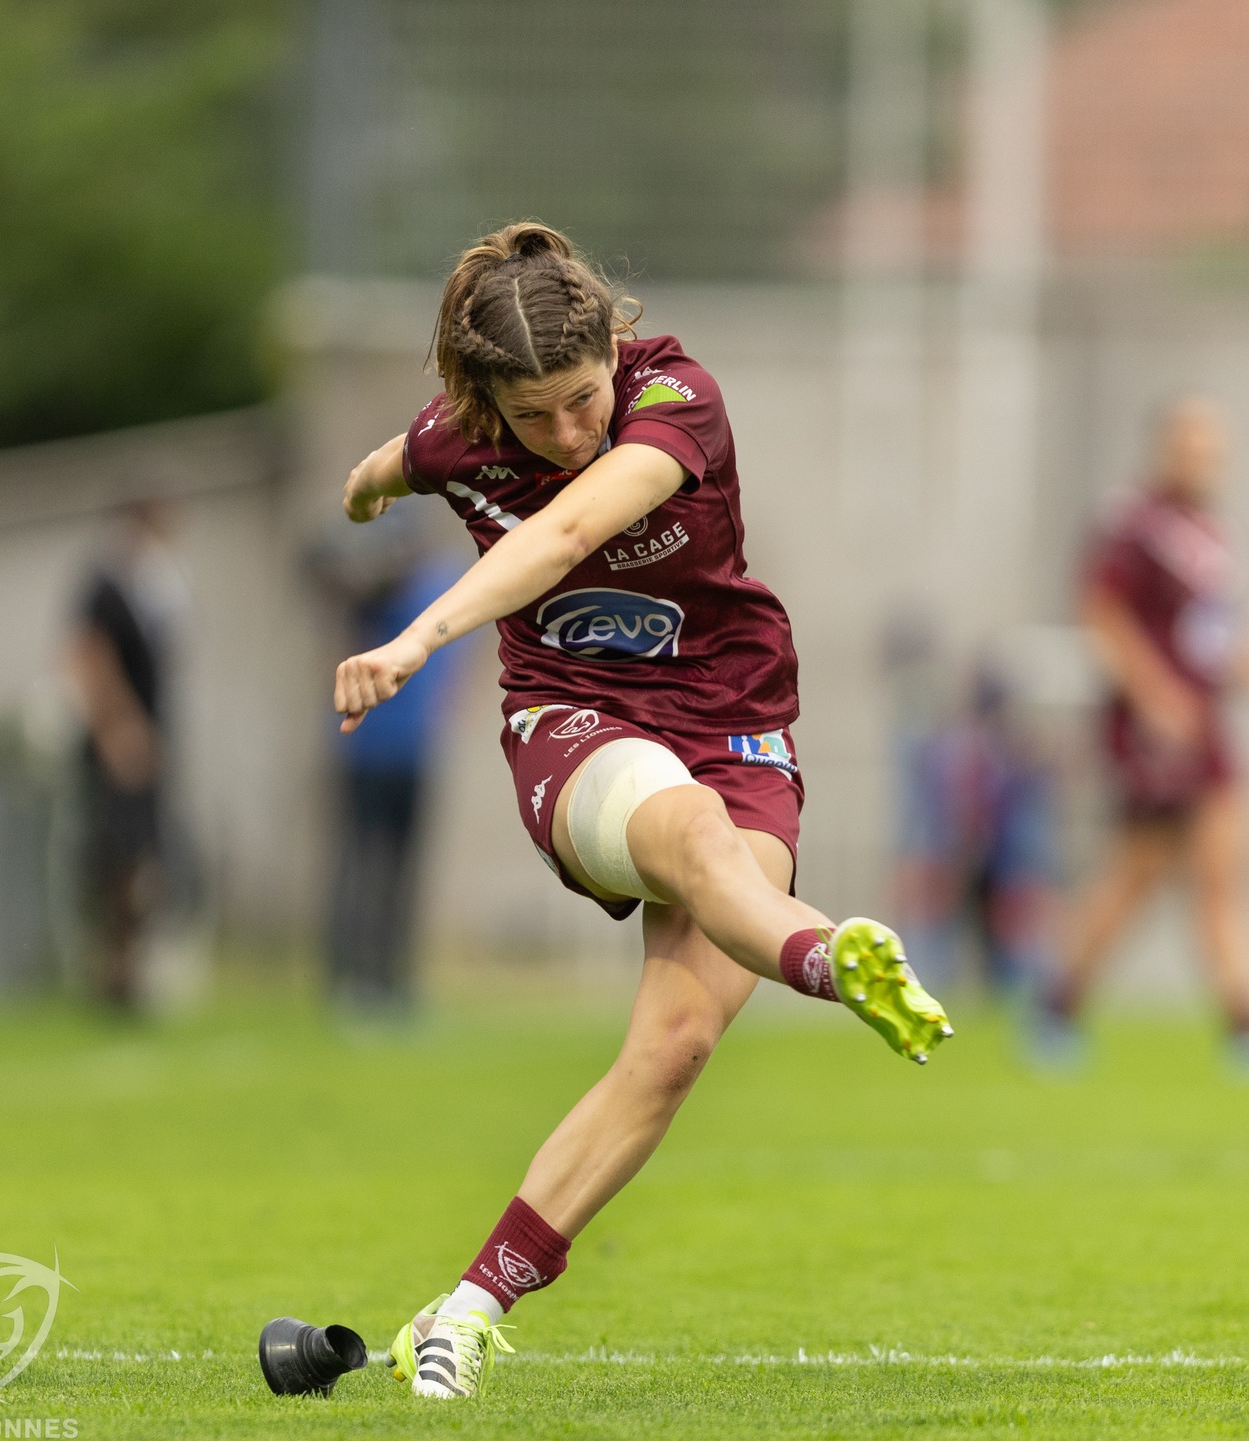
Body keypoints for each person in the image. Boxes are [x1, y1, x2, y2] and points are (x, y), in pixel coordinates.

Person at [331, 222, 952, 1400]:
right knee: (690, 837)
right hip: (572, 719)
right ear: (483, 403)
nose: (567, 434)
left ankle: (462, 1311)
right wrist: (367, 508)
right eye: (535, 419)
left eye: (580, 400)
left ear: (612, 346)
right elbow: (379, 473)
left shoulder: (678, 396)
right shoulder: (458, 434)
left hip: (734, 723)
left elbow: (570, 527)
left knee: (673, 1046)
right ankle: (825, 956)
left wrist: (410, 613)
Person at [1034, 400, 1249, 1077]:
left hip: (1208, 729)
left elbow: (1226, 642)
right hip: (1152, 732)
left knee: (1222, 875)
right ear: (1165, 447)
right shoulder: (1132, 525)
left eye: (1213, 446)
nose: (1204, 458)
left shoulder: (1214, 535)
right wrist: (1153, 696)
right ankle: (1056, 1005)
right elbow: (1101, 614)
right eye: (1193, 443)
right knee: (1136, 875)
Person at [322, 537, 473, 1015]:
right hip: (364, 753)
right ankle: (349, 979)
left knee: (402, 875)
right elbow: (317, 564)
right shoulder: (373, 592)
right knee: (360, 867)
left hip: (416, 754)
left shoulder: (443, 589)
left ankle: (393, 979)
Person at [67, 501, 187, 1013]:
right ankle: (113, 973)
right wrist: (119, 729)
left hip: (150, 743)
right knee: (117, 858)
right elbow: (85, 654)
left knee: (144, 857)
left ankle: (131, 972)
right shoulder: (105, 584)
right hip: (119, 748)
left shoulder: (153, 588)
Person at [894, 663, 1057, 995]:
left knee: (1002, 938)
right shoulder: (965, 746)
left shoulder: (999, 746)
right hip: (961, 851)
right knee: (943, 932)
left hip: (996, 855)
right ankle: (931, 989)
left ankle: (1005, 994)